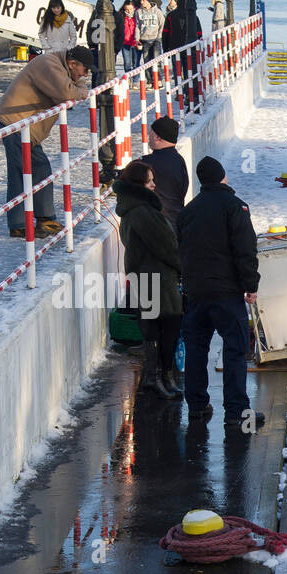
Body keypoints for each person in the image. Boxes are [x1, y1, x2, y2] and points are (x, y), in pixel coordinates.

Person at [176, 156, 261, 425]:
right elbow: (245, 250)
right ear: (223, 176)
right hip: (226, 293)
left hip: (196, 293)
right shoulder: (236, 207)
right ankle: (237, 412)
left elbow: (181, 251)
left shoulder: (188, 211)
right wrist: (251, 285)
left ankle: (197, 405)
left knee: (196, 350)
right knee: (235, 350)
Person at [0, 46, 92, 239]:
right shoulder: (50, 64)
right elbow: (68, 93)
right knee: (30, 170)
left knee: (28, 170)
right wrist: (80, 88)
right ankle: (30, 222)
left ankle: (28, 221)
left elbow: (73, 88)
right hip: (16, 121)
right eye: (85, 70)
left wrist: (78, 85)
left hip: (23, 123)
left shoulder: (58, 65)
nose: (86, 75)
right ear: (72, 64)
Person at [115, 160, 183, 399]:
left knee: (153, 327)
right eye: (150, 181)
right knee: (167, 326)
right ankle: (159, 376)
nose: (154, 185)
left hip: (145, 276)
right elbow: (166, 246)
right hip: (157, 278)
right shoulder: (144, 212)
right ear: (139, 185)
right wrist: (182, 267)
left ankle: (157, 377)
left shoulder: (131, 208)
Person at [140, 117, 189, 226]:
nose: (149, 137)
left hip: (158, 227)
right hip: (178, 222)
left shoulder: (147, 163)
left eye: (151, 134)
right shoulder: (179, 161)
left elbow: (126, 177)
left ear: (158, 137)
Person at [136, 0, 166, 75]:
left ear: (148, 0)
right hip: (144, 39)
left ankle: (158, 80)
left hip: (155, 39)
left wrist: (159, 37)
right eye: (140, 0)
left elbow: (162, 25)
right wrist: (137, 39)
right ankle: (149, 81)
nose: (142, 2)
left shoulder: (157, 12)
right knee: (147, 62)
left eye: (143, 0)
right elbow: (137, 26)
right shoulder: (138, 12)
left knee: (157, 61)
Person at [120, 0, 141, 73]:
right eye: (127, 9)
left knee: (136, 63)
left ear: (134, 8)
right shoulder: (121, 16)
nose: (129, 11)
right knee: (127, 63)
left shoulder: (138, 14)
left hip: (136, 42)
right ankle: (128, 79)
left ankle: (135, 81)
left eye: (130, 9)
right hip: (125, 42)